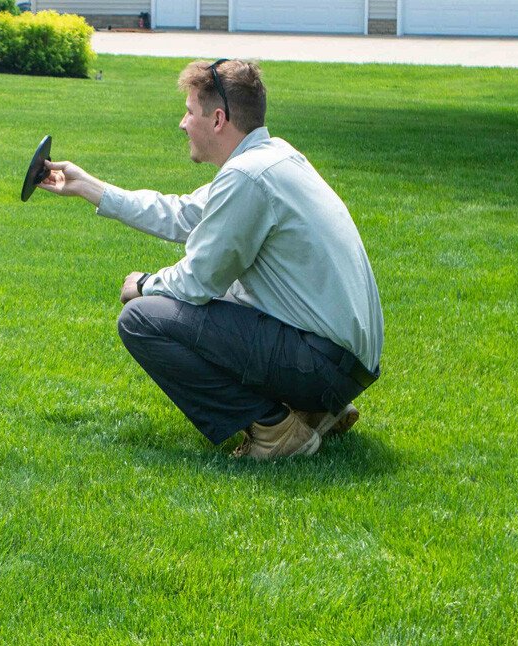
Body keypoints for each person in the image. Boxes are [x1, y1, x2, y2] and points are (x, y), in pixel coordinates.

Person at [38, 58, 382, 460]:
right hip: (345, 365)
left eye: (189, 112)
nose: (183, 123)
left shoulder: (247, 177)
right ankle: (317, 410)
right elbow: (181, 213)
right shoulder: (274, 158)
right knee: (225, 298)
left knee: (142, 319)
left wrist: (145, 284)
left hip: (321, 365)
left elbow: (198, 282)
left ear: (218, 119)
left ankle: (274, 430)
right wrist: (88, 187)